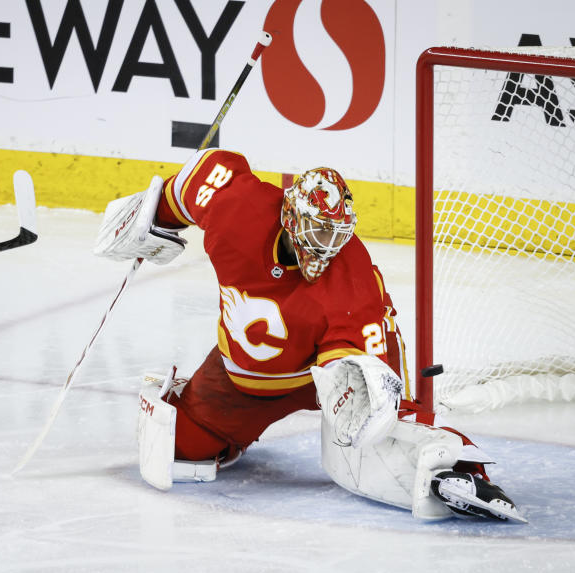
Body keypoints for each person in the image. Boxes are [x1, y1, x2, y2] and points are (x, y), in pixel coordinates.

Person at [94, 148, 525, 523]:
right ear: (291, 217)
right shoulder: (238, 209)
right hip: (239, 376)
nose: (328, 246)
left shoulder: (350, 280)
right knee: (180, 448)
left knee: (380, 432)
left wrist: (378, 417)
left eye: (337, 234)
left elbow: (359, 368)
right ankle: (216, 420)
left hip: (324, 373)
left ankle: (458, 470)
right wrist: (156, 217)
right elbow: (197, 177)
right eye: (319, 231)